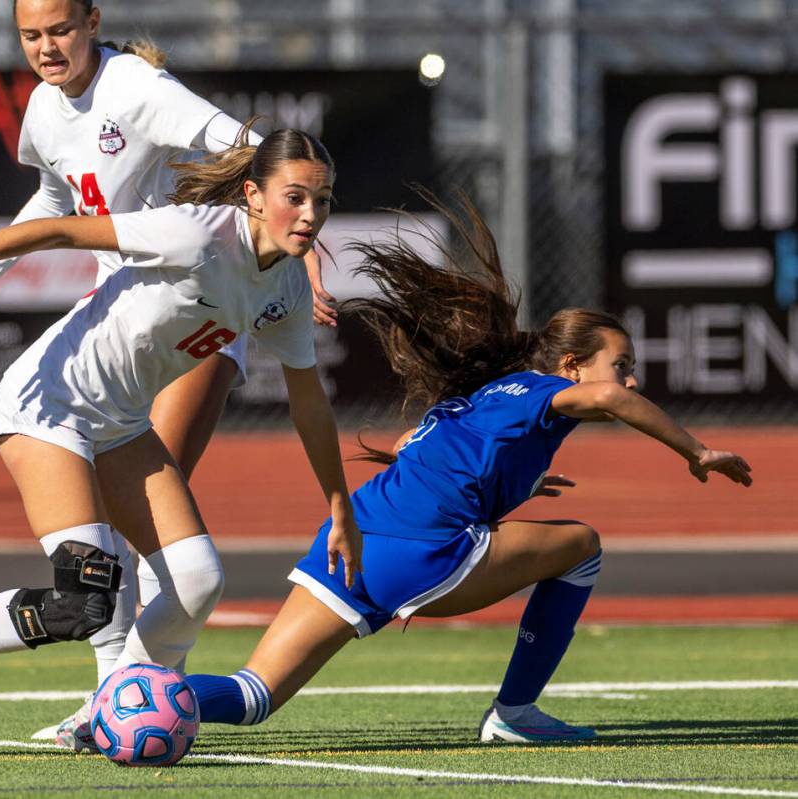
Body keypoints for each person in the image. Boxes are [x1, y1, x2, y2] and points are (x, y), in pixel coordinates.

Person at [179, 193, 753, 744]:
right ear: (572, 366)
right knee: (583, 546)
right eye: (619, 364)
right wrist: (696, 452)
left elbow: (411, 445)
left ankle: (119, 702)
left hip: (350, 536)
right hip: (417, 551)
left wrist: (520, 477)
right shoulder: (547, 391)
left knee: (252, 696)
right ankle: (515, 711)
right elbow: (610, 401)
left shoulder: (491, 396)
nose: (629, 380)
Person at [0, 0, 335, 746]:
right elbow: (53, 198)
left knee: (161, 534)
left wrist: (293, 251)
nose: (47, 48)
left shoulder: (135, 88)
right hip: (126, 310)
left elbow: (252, 150)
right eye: (31, 35)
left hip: (201, 298)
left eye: (60, 29)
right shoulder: (46, 110)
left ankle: (117, 696)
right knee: (118, 536)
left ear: (91, 21)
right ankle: (114, 698)